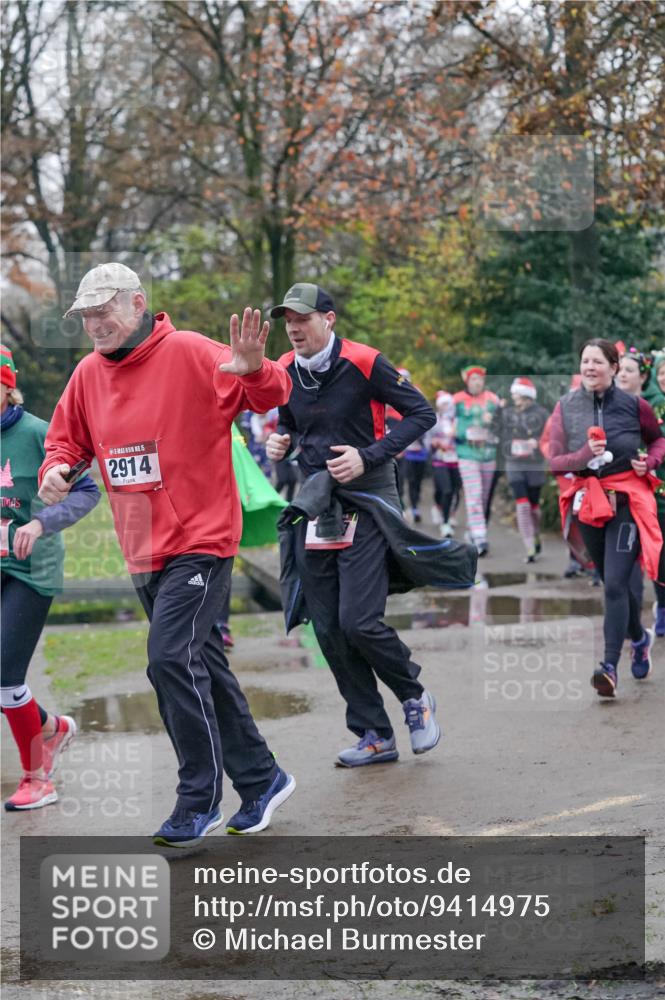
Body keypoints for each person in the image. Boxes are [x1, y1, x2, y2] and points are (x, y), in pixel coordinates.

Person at [37, 262, 295, 845]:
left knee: (169, 659)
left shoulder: (188, 351)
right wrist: (56, 468)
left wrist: (256, 369)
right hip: (141, 546)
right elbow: (65, 440)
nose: (95, 324)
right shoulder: (85, 375)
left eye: (104, 311)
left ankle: (196, 800)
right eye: (86, 316)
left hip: (200, 541)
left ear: (135, 304)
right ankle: (262, 779)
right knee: (201, 663)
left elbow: (270, 390)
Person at [266, 282, 446, 767]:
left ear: (330, 319)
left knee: (360, 622)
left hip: (366, 498)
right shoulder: (284, 370)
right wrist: (281, 438)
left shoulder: (367, 362)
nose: (294, 328)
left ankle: (414, 697)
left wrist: (367, 456)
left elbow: (421, 414)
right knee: (327, 628)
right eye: (288, 320)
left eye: (303, 318)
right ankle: (373, 733)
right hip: (316, 502)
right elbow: (287, 419)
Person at [1, 345, 100, 809]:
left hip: (31, 571)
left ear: (7, 387)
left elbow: (86, 491)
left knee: (5, 678)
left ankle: (37, 777)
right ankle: (51, 728)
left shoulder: (40, 434)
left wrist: (42, 522)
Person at [548, 338, 665, 698]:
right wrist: (584, 453)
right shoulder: (566, 406)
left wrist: (651, 462)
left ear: (614, 368)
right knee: (608, 581)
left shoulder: (635, 405)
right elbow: (555, 460)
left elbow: (658, 441)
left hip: (627, 500)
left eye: (597, 362)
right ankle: (640, 637)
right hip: (589, 503)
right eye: (585, 361)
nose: (590, 368)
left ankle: (609, 665)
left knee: (616, 583)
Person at [619, 348, 665, 637]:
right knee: (639, 552)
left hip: (652, 485)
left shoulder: (653, 406)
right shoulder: (641, 405)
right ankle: (643, 614)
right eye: (662, 373)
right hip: (641, 488)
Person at [499, 377, 549, 562]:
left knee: (534, 507)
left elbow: (549, 436)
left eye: (516, 394)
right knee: (522, 503)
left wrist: (535, 442)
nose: (513, 397)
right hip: (514, 464)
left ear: (526, 396)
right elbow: (500, 434)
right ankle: (528, 545)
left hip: (535, 464)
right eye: (513, 394)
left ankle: (535, 535)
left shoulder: (542, 414)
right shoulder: (508, 413)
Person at [453, 366, 499, 556]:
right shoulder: (456, 400)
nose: (477, 382)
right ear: (467, 381)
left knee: (483, 497)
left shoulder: (493, 399)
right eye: (473, 379)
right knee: (475, 494)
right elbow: (446, 423)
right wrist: (461, 433)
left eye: (480, 379)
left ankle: (474, 531)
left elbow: (502, 425)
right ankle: (480, 539)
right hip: (466, 453)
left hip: (488, 454)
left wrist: (493, 422)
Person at [429, 390, 460, 538]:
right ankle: (445, 523)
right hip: (439, 459)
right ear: (439, 406)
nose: (446, 406)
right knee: (445, 490)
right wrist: (435, 443)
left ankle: (449, 513)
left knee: (455, 490)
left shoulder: (459, 420)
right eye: (443, 404)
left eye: (448, 403)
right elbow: (427, 439)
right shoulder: (434, 420)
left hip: (457, 460)